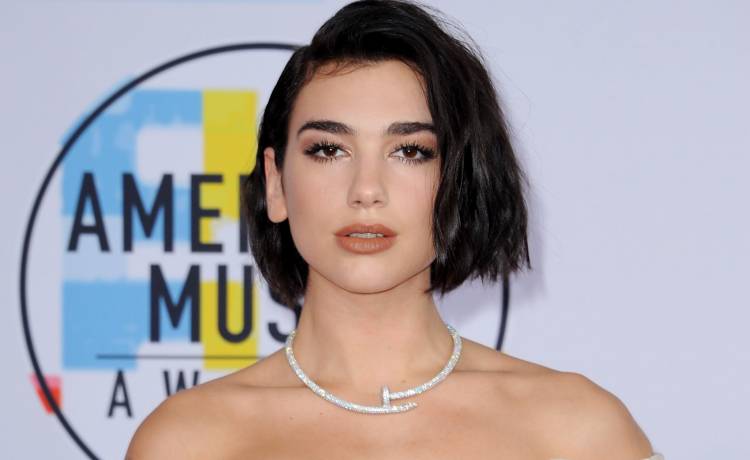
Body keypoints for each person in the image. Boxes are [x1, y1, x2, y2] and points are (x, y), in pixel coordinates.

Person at [126, 1, 663, 458]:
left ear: (461, 180)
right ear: (276, 183)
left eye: (410, 151)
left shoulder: (574, 432)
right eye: (328, 149)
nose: (367, 189)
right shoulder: (189, 442)